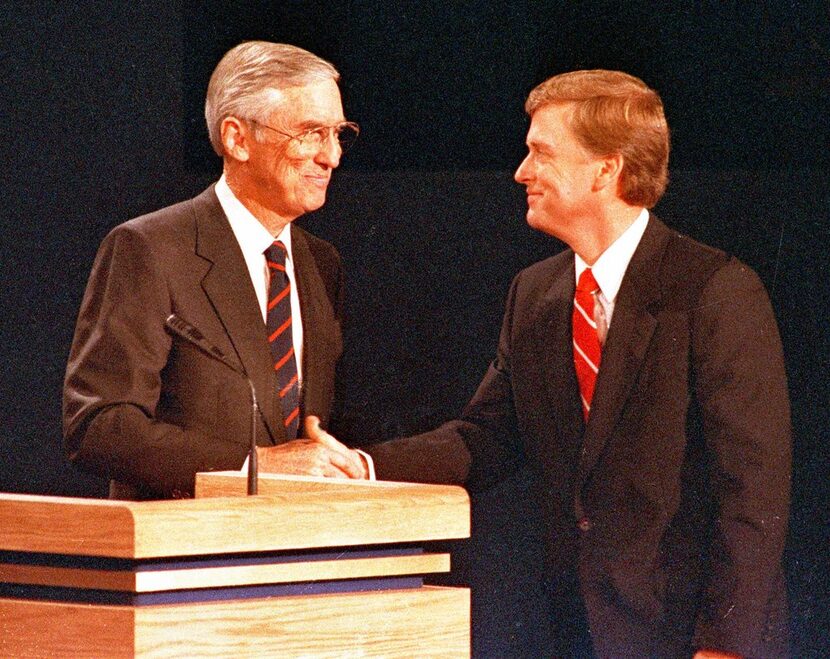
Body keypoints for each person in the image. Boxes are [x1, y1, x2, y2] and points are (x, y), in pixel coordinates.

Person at [365, 70, 791, 658]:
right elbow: (485, 436)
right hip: (574, 630)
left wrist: (726, 644)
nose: (521, 172)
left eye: (540, 152)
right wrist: (362, 466)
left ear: (606, 168)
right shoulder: (535, 293)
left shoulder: (714, 290)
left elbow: (754, 489)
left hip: (687, 635)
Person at [63, 41, 367, 500]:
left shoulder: (320, 263)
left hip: (302, 551)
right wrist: (249, 467)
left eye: (337, 133)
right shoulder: (151, 248)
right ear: (236, 139)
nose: (332, 156)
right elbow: (98, 425)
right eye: (310, 133)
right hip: (187, 557)